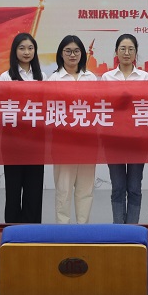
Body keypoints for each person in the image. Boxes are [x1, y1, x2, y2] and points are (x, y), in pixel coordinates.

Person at [47, 35, 98, 224]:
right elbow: (49, 111)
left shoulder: (91, 78)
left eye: (76, 51)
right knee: (64, 189)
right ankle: (63, 231)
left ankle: (83, 230)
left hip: (88, 143)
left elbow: (98, 108)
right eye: (68, 51)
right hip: (63, 144)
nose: (72, 55)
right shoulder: (53, 79)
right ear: (61, 54)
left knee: (86, 190)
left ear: (82, 54)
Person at [101, 34, 148, 224]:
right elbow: (103, 106)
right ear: (116, 52)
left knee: (134, 188)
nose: (127, 53)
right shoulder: (107, 77)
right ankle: (118, 229)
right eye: (123, 48)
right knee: (118, 187)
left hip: (138, 140)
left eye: (131, 49)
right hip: (113, 140)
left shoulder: (145, 77)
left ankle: (132, 228)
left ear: (136, 53)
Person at [0, 32, 45, 223]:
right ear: (14, 51)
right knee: (13, 188)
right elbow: (1, 107)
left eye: (30, 48)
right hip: (12, 140)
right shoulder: (6, 76)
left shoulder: (42, 76)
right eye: (22, 48)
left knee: (34, 189)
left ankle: (32, 231)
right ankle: (12, 229)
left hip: (36, 141)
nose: (26, 52)